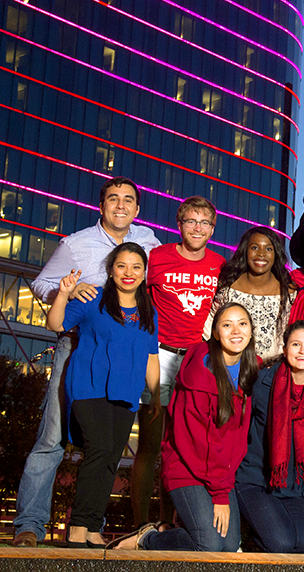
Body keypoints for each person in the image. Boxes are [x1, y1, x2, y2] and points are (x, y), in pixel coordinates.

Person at [13, 177, 159, 548]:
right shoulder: (76, 244)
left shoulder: (149, 243)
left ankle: (90, 525)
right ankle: (30, 525)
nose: (121, 206)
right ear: (102, 205)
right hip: (79, 347)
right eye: (114, 199)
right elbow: (42, 285)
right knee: (52, 439)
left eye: (129, 200)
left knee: (107, 449)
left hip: (125, 357)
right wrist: (69, 289)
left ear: (138, 209)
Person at [111, 303, 260, 552]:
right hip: (187, 467)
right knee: (210, 544)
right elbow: (194, 442)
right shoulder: (198, 374)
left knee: (230, 546)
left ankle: (178, 530)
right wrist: (220, 494)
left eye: (242, 324)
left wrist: (223, 485)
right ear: (214, 333)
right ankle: (147, 539)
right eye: (227, 325)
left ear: (251, 331)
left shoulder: (252, 370)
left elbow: (236, 438)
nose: (236, 331)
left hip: (221, 472)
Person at [46, 242, 160, 548]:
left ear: (144, 272)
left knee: (112, 457)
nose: (129, 273)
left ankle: (94, 526)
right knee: (98, 450)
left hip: (127, 392)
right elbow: (55, 323)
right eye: (121, 265)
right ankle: (78, 527)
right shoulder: (92, 298)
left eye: (136, 267)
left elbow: (151, 357)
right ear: (111, 269)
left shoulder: (149, 311)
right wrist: (63, 293)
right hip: (89, 385)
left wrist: (156, 396)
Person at [132, 196, 225, 527]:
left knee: (184, 449)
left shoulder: (220, 265)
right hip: (159, 356)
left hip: (199, 362)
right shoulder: (156, 258)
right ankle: (139, 526)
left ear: (213, 229)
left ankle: (169, 524)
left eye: (204, 223)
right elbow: (131, 297)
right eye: (191, 221)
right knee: (151, 444)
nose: (197, 228)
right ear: (179, 223)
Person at [235, 319, 304, 553]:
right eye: (295, 345)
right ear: (284, 349)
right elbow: (241, 428)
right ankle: (250, 536)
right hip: (257, 480)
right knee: (280, 543)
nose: (303, 351)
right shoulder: (262, 381)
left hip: (298, 486)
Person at [205, 227, 296, 365]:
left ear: (276, 254)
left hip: (272, 371)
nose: (261, 254)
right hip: (231, 366)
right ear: (245, 251)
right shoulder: (228, 287)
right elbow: (211, 325)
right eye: (254, 247)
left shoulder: (289, 292)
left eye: (268, 249)